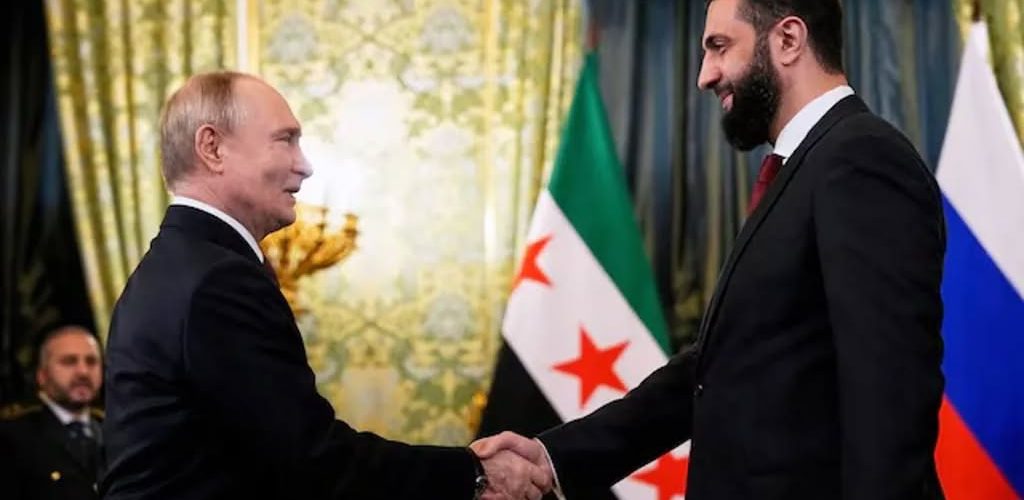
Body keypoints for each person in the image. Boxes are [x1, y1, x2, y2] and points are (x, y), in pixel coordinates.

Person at [474, 0, 946, 498]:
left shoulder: (860, 157)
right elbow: (716, 369)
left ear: (788, 40)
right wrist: (554, 458)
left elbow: (890, 389)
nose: (705, 76)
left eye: (720, 47)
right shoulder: (804, 167)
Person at [100, 71, 549, 500]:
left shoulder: (175, 267)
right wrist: (473, 474)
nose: (305, 166)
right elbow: (311, 462)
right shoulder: (218, 281)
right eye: (285, 140)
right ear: (212, 148)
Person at [0, 325, 105, 500]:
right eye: (69, 361)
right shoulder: (12, 438)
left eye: (92, 361)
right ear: (42, 375)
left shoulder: (117, 432)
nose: (83, 372)